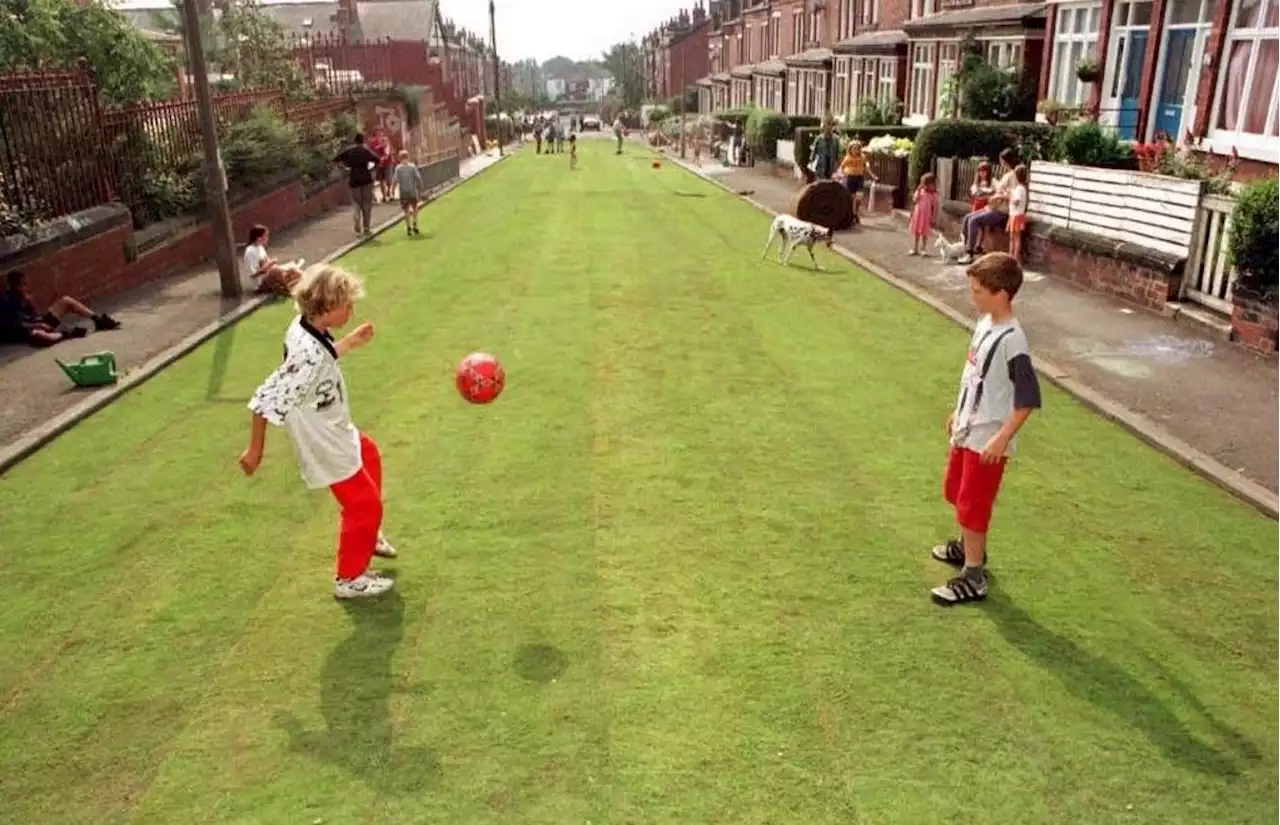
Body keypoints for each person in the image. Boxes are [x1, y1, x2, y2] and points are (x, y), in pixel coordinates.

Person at [238, 265, 399, 600]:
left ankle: (367, 536)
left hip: (335, 424)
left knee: (370, 455)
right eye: (347, 306)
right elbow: (264, 399)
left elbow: (323, 355)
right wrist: (255, 451)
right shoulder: (306, 356)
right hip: (323, 438)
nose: (351, 311)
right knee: (364, 505)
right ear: (327, 307)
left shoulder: (306, 326)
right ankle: (350, 579)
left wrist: (350, 342)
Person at [930, 252, 1041, 606]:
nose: (973, 297)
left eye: (978, 291)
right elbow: (975, 377)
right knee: (955, 492)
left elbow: (1027, 400)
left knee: (973, 505)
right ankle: (967, 547)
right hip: (967, 429)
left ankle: (974, 575)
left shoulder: (1013, 341)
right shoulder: (984, 324)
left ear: (1002, 294)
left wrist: (1002, 437)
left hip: (986, 440)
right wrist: (958, 411)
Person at [0, 270, 119, 347]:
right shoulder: (5, 301)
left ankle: (98, 320)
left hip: (37, 322)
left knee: (66, 301)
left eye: (26, 284)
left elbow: (34, 315)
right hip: (23, 331)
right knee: (40, 336)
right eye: (22, 285)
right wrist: (38, 325)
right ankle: (65, 333)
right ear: (13, 286)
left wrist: (32, 309)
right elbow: (13, 324)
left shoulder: (24, 299)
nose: (25, 288)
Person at [959, 149, 1018, 263]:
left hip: (1002, 211)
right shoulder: (1008, 174)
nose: (1001, 163)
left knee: (973, 221)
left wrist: (997, 196)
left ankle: (969, 254)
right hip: (993, 207)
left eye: (1001, 160)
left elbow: (1012, 194)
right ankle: (963, 247)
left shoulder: (1013, 176)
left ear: (1005, 161)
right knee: (967, 217)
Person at [334, 133, 381, 238]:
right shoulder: (365, 150)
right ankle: (366, 228)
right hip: (366, 178)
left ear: (355, 141)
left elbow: (336, 160)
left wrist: (345, 169)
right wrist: (372, 169)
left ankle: (356, 216)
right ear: (363, 141)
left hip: (354, 178)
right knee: (367, 204)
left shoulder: (349, 151)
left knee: (356, 202)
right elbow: (377, 160)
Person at [241, 225, 302, 296]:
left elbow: (268, 262)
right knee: (275, 270)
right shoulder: (250, 252)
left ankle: (304, 286)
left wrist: (281, 267)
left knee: (292, 269)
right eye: (265, 236)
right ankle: (289, 290)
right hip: (260, 284)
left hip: (269, 275)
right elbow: (253, 274)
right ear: (259, 238)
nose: (267, 238)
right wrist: (270, 264)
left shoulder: (260, 248)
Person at [839, 140, 877, 225]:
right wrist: (841, 174)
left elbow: (866, 168)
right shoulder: (847, 158)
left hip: (859, 178)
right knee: (852, 198)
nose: (855, 150)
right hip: (850, 178)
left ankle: (855, 213)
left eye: (857, 149)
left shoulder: (862, 157)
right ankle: (852, 215)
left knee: (859, 198)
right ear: (850, 149)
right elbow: (841, 167)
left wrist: (873, 176)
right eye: (853, 149)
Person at [393, 150, 425, 237]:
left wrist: (392, 190)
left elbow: (395, 180)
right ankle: (414, 222)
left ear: (400, 158)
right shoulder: (412, 167)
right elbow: (418, 178)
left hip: (403, 192)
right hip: (412, 191)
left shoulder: (398, 168)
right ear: (408, 157)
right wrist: (420, 187)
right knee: (415, 208)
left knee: (406, 210)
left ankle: (408, 227)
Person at [909, 173, 939, 256]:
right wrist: (918, 192)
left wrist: (934, 217)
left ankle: (923, 248)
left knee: (925, 232)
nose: (925, 186)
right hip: (917, 214)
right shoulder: (920, 191)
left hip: (926, 216)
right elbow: (914, 201)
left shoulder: (934, 194)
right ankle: (915, 248)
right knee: (916, 231)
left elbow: (935, 206)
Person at [1007, 164, 1030, 264]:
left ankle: (1014, 257)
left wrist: (1009, 196)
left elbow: (1016, 202)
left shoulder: (1020, 189)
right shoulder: (1021, 188)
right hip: (1016, 215)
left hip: (1016, 215)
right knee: (1013, 237)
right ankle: (1011, 255)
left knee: (1015, 238)